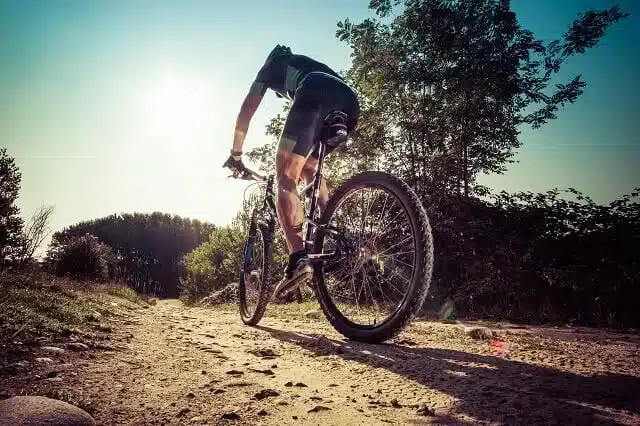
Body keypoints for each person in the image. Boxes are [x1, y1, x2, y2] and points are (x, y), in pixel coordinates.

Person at [223, 44, 360, 298]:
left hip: (314, 90)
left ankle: (298, 257)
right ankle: (334, 231)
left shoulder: (270, 67)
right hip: (349, 102)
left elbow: (247, 111)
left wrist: (236, 155)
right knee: (309, 167)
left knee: (285, 176)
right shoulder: (303, 63)